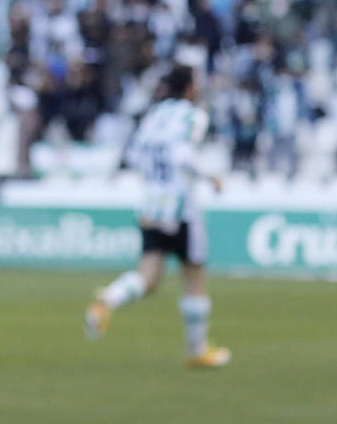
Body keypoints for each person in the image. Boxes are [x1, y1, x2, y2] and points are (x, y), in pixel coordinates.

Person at [84, 63, 230, 368]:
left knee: (148, 277)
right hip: (181, 209)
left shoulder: (154, 116)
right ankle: (197, 351)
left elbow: (135, 154)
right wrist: (210, 176)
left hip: (151, 204)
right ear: (190, 88)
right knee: (195, 278)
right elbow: (182, 155)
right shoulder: (193, 116)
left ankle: (107, 300)